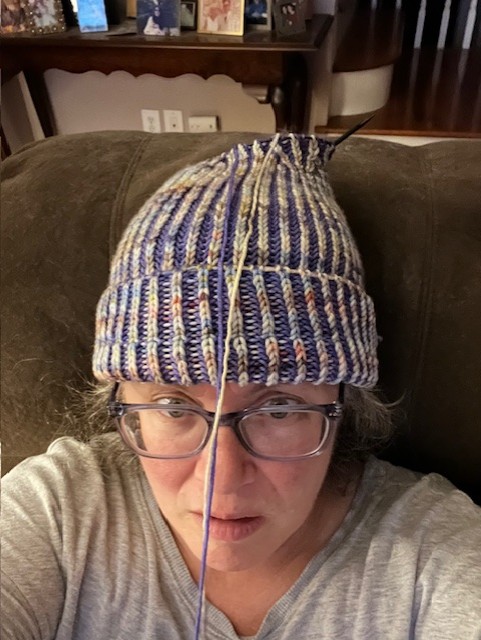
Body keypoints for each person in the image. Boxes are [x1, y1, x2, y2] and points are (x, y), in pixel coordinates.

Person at [2, 134, 480, 640]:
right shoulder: (58, 513)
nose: (222, 479)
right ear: (123, 404)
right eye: (173, 406)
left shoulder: (434, 551)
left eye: (279, 409)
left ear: (344, 405)